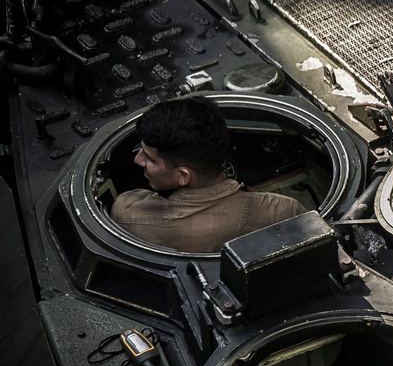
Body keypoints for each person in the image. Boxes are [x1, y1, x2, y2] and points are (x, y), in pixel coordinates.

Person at [111, 95, 308, 252]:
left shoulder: (127, 211)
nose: (138, 160)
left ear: (184, 176)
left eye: (150, 158)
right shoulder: (283, 211)